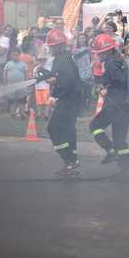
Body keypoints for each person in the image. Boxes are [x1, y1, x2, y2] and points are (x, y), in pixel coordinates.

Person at [90, 33, 129, 172]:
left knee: (95, 125)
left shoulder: (110, 63)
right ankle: (126, 169)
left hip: (115, 105)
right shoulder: (117, 61)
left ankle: (110, 151)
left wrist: (105, 88)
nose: (99, 55)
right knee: (120, 140)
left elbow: (118, 81)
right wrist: (103, 85)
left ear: (107, 51)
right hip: (123, 105)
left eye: (100, 52)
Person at [45, 28, 82, 176]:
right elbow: (63, 78)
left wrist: (55, 96)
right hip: (73, 100)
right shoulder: (66, 57)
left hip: (67, 100)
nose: (51, 48)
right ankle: (72, 160)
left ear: (60, 45)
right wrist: (51, 78)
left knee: (53, 129)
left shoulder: (62, 60)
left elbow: (66, 82)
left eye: (53, 46)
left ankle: (69, 161)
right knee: (68, 130)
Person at [4, 48, 28, 119]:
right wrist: (5, 82)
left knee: (21, 100)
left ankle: (22, 113)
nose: (15, 56)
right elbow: (5, 73)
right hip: (11, 85)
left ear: (19, 55)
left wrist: (25, 84)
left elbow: (25, 74)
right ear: (11, 55)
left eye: (17, 55)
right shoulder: (8, 64)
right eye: (13, 55)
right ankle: (12, 113)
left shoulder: (22, 64)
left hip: (21, 86)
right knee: (12, 100)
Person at [33, 52, 52, 120]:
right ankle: (39, 114)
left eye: (43, 61)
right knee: (39, 103)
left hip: (46, 88)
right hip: (38, 88)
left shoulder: (48, 69)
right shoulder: (35, 69)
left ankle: (46, 115)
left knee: (46, 102)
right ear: (38, 61)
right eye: (40, 61)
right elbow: (34, 78)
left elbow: (50, 78)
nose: (42, 62)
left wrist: (45, 78)